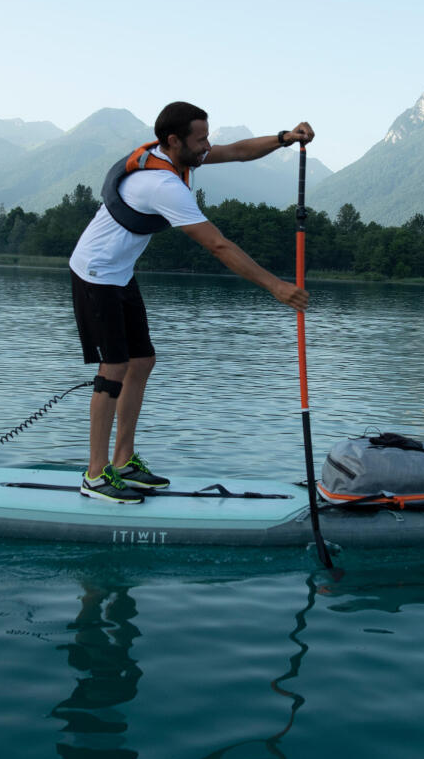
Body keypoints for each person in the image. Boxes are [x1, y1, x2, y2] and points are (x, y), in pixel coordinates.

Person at [69, 102, 313, 501]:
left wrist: (285, 138)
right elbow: (218, 244)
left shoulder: (180, 158)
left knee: (142, 360)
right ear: (173, 140)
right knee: (113, 367)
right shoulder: (161, 184)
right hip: (94, 273)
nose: (207, 146)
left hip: (120, 273)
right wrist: (276, 286)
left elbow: (236, 150)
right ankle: (95, 475)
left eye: (206, 137)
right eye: (200, 139)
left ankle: (123, 461)